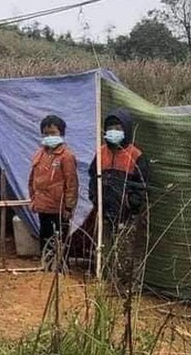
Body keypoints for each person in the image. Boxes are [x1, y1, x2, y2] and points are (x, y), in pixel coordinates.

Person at [88, 109, 149, 288]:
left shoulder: (136, 155)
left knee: (128, 254)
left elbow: (142, 185)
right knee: (105, 249)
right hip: (105, 212)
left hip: (128, 215)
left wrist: (132, 203)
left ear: (126, 129)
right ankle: (108, 286)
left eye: (118, 128)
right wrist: (95, 198)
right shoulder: (101, 153)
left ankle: (128, 290)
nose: (113, 131)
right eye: (110, 128)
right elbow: (92, 178)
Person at [29, 115, 79, 256]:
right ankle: (46, 265)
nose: (49, 136)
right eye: (46, 133)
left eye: (53, 133)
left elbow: (72, 183)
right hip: (42, 206)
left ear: (61, 134)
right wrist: (33, 199)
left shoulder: (66, 156)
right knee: (45, 239)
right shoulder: (39, 154)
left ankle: (61, 267)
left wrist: (69, 207)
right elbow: (32, 179)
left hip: (59, 208)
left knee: (59, 241)